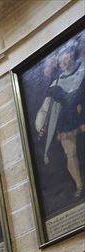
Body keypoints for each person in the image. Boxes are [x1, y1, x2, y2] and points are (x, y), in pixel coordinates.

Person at [34, 45, 85, 200]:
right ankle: (79, 186)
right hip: (66, 120)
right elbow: (45, 107)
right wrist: (40, 125)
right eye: (60, 58)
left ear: (71, 55)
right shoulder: (57, 82)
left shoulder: (82, 70)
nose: (62, 60)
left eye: (65, 55)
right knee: (71, 153)